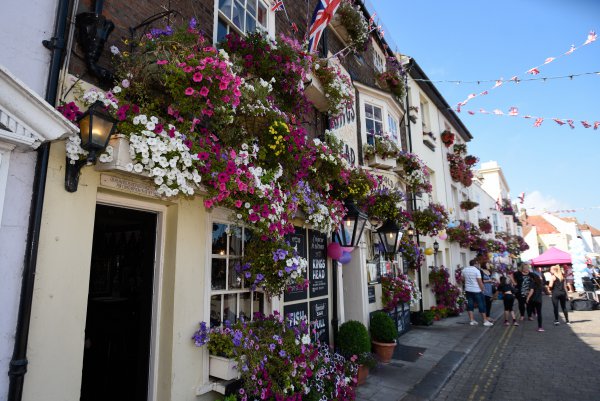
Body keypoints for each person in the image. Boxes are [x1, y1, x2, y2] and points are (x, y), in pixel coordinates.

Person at [463, 260, 493, 326]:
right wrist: (483, 289)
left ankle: (472, 320)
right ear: (475, 264)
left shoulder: (464, 270)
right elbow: (479, 281)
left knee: (470, 304)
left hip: (468, 290)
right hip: (477, 290)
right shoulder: (477, 271)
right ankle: (485, 321)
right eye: (477, 264)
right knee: (481, 304)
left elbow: (463, 279)